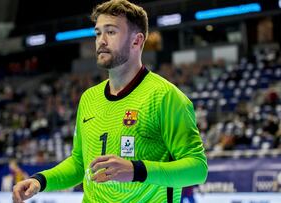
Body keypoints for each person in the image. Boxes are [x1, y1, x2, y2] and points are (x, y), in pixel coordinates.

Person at [12, 0, 208, 202]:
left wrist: (135, 170)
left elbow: (197, 169)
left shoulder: (166, 97)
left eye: (111, 32)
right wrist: (40, 181)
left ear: (136, 41)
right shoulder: (89, 98)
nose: (101, 41)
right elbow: (80, 164)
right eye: (98, 33)